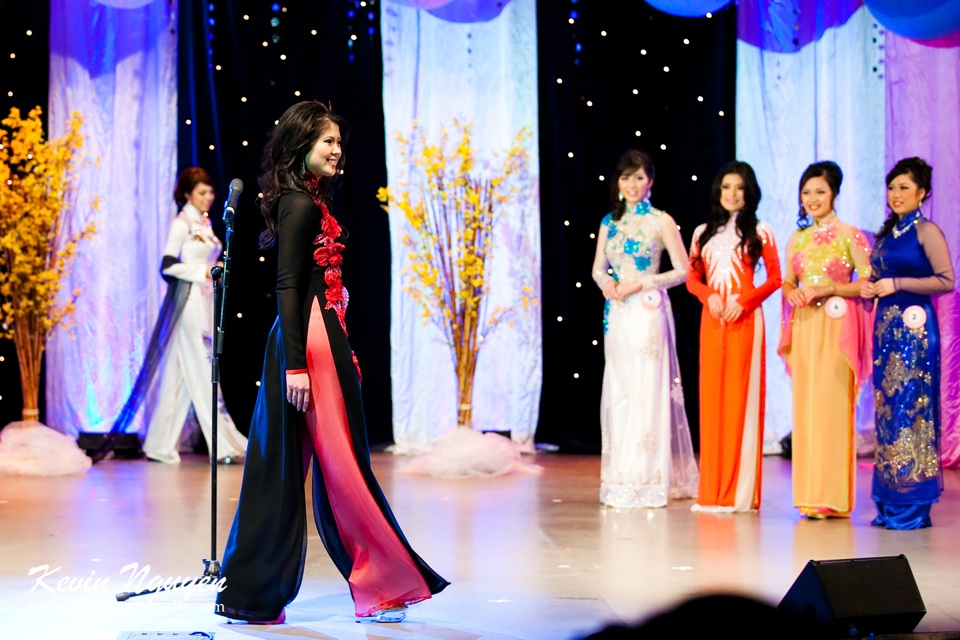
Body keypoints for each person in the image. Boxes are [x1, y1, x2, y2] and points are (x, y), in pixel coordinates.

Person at [216, 102, 448, 624]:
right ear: (303, 147)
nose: (338, 151)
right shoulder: (299, 204)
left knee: (286, 465)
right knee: (335, 466)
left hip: (315, 338)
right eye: (328, 142)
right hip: (307, 343)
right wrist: (298, 364)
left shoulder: (310, 200)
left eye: (340, 143)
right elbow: (288, 285)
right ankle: (382, 585)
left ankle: (255, 595)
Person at [108, 167, 248, 464]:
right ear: (187, 194)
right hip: (188, 304)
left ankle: (159, 444)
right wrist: (202, 272)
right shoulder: (182, 223)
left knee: (180, 374)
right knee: (202, 366)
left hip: (204, 300)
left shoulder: (204, 223)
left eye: (210, 192)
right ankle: (222, 442)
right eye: (201, 192)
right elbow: (167, 265)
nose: (209, 197)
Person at [591, 149, 699, 509]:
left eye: (639, 177)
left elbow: (683, 271)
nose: (632, 184)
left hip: (647, 308)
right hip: (617, 310)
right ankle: (621, 473)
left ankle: (650, 476)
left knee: (647, 387)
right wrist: (607, 283)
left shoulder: (661, 220)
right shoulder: (610, 221)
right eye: (626, 178)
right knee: (620, 389)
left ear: (650, 181)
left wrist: (641, 283)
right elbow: (597, 268)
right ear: (617, 183)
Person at [861, 157, 954, 530]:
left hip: (915, 335)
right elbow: (876, 277)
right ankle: (889, 499)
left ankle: (911, 502)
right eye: (892, 187)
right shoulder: (888, 234)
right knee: (887, 413)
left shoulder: (926, 231)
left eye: (904, 187)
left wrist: (897, 285)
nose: (896, 194)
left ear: (922, 193)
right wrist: (870, 288)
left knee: (910, 415)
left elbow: (946, 280)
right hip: (886, 334)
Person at [778, 161, 873, 519]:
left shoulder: (851, 235)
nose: (812, 199)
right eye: (806, 192)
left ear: (834, 193)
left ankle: (832, 498)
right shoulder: (796, 238)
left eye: (820, 191)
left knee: (832, 408)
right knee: (807, 409)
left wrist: (829, 288)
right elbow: (788, 280)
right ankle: (807, 495)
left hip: (837, 326)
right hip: (805, 326)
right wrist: (792, 293)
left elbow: (866, 284)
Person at [687, 161, 781, 513]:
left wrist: (744, 301)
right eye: (726, 187)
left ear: (749, 192)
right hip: (712, 322)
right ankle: (711, 492)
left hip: (745, 320)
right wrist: (708, 295)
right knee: (711, 402)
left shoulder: (761, 231)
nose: (731, 194)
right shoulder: (702, 233)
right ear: (718, 191)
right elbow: (692, 278)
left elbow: (774, 278)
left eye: (739, 188)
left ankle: (739, 494)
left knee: (741, 401)